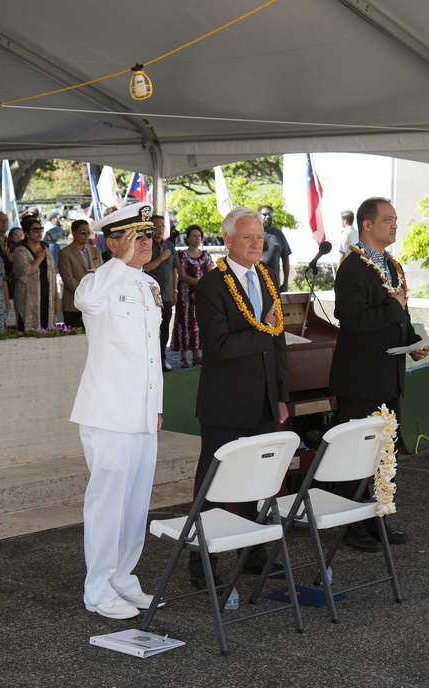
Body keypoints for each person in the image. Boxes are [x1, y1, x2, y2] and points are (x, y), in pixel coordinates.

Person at [69, 203, 163, 620]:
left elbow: (150, 357)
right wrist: (118, 261)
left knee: (135, 503)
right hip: (107, 413)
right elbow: (84, 300)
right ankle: (98, 589)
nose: (147, 243)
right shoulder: (99, 283)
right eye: (136, 237)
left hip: (141, 413)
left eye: (148, 235)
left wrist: (155, 407)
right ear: (112, 242)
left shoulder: (148, 285)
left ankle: (124, 578)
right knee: (106, 503)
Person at [190, 205, 290, 586]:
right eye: (247, 237)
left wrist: (280, 395)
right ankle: (200, 563)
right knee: (212, 484)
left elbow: (277, 344)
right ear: (227, 240)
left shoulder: (265, 278)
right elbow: (218, 345)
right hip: (225, 402)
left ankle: (251, 552)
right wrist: (263, 332)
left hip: (263, 399)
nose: (255, 243)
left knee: (254, 482)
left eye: (259, 237)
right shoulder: (211, 285)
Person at [328, 196, 427, 549]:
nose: (395, 225)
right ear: (366, 225)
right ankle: (350, 526)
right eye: (388, 219)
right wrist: (392, 305)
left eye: (396, 219)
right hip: (361, 377)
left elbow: (401, 316)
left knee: (383, 455)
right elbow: (353, 321)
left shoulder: (393, 266)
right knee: (356, 455)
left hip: (389, 376)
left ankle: (376, 518)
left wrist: (414, 341)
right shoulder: (353, 268)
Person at [172, 224, 213, 368]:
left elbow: (211, 275)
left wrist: (202, 288)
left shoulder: (206, 255)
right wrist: (199, 283)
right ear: (187, 238)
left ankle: (197, 356)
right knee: (184, 322)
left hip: (201, 296)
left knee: (198, 323)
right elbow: (182, 275)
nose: (197, 239)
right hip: (185, 295)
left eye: (199, 236)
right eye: (194, 236)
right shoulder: (182, 255)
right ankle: (184, 358)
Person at [143, 214, 179, 371]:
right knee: (150, 330)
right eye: (156, 225)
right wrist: (162, 257)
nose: (160, 229)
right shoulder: (145, 244)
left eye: (162, 225)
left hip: (167, 294)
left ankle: (162, 360)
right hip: (150, 296)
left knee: (164, 330)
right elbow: (145, 268)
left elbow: (174, 270)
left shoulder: (170, 245)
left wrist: (175, 289)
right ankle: (149, 363)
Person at [11, 215, 58, 330]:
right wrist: (38, 260)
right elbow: (23, 273)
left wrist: (56, 300)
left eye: (40, 229)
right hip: (28, 300)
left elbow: (52, 277)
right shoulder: (20, 251)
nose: (39, 232)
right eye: (35, 230)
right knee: (28, 332)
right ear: (26, 233)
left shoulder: (46, 250)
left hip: (47, 297)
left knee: (47, 330)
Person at [58, 219, 102, 330]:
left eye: (88, 232)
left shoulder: (96, 251)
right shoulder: (65, 253)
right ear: (74, 233)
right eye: (83, 232)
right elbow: (68, 279)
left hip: (94, 303)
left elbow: (102, 274)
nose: (86, 235)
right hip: (73, 305)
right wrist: (85, 293)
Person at [257, 204, 292, 291]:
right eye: (265, 214)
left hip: (274, 284)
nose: (268, 217)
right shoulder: (252, 233)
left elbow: (285, 257)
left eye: (270, 214)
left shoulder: (278, 234)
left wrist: (285, 282)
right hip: (256, 283)